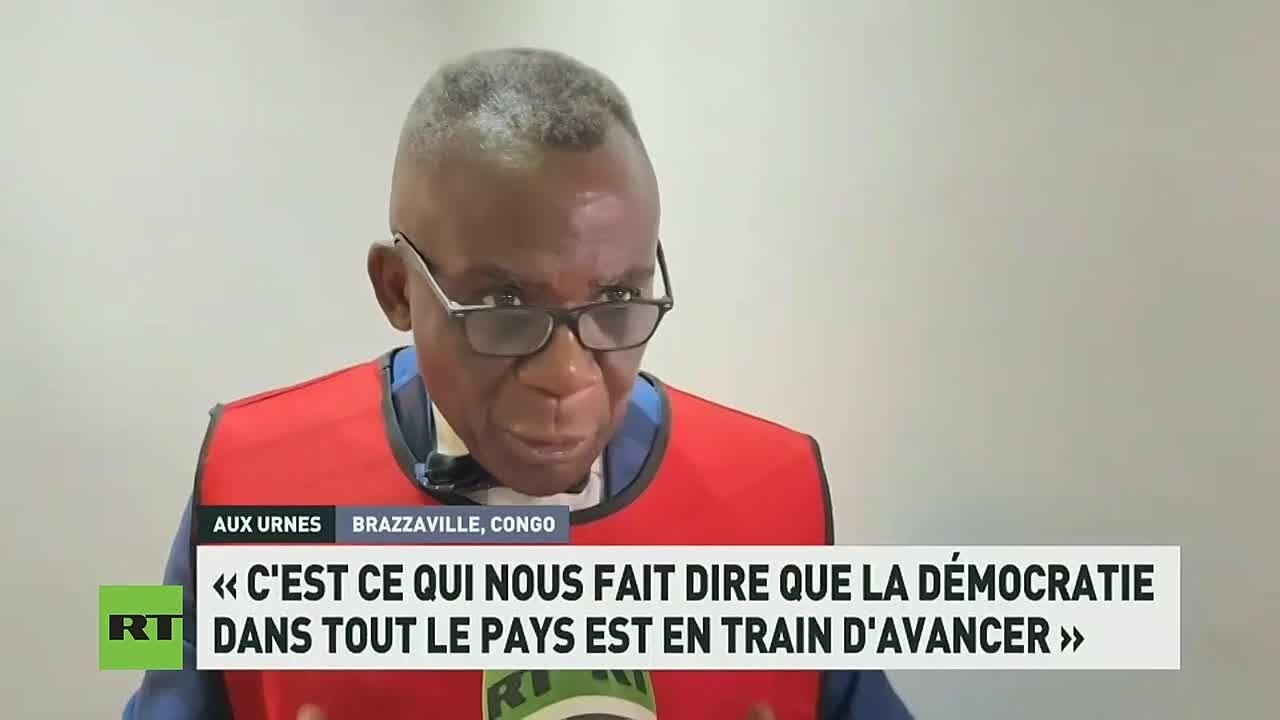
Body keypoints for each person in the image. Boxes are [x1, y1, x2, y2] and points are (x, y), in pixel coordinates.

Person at [122, 47, 913, 720]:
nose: (567, 377)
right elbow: (138, 647)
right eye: (503, 308)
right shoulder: (240, 471)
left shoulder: (782, 490)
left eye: (616, 299)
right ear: (398, 289)